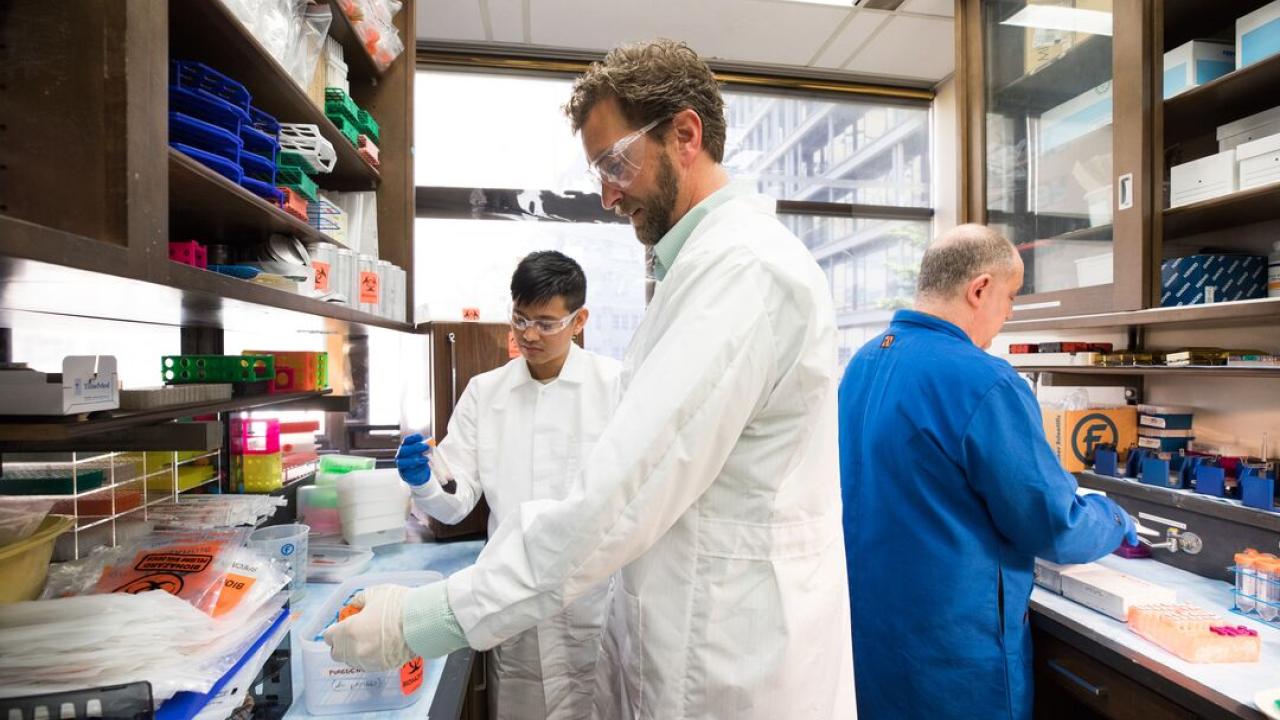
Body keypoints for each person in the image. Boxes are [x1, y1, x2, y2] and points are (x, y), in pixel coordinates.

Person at [325, 39, 856, 719]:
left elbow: (619, 496)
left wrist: (419, 621)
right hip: (677, 638)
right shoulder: (700, 273)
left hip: (732, 671)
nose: (606, 194)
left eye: (614, 162)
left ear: (685, 135)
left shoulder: (742, 273)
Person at [837, 224, 1138, 720]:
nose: (1009, 314)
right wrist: (1116, 518)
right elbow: (1053, 524)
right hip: (951, 659)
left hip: (870, 641)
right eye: (1011, 297)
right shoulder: (985, 381)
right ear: (979, 289)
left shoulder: (865, 362)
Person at [398, 250, 621, 720]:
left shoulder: (615, 386)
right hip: (510, 595)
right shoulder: (486, 391)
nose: (529, 334)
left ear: (579, 320)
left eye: (546, 322)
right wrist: (424, 483)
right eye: (520, 318)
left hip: (592, 599)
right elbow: (456, 502)